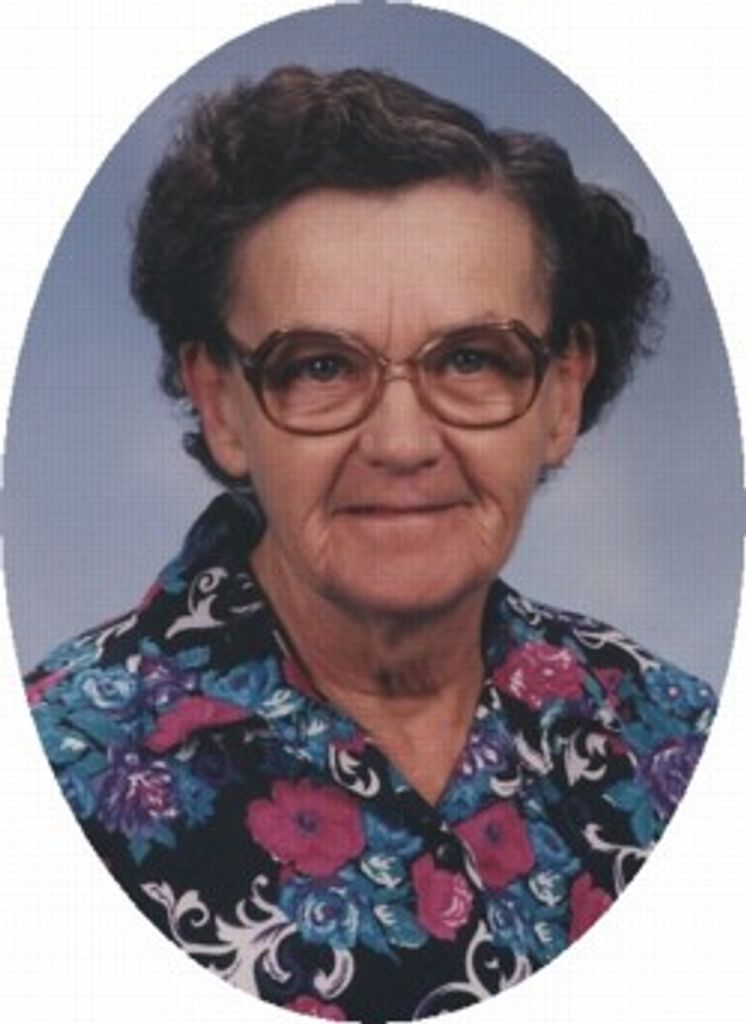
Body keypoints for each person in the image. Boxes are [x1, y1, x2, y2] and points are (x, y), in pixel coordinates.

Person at [24, 66, 717, 1022]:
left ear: (562, 395)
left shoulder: (680, 743)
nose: (400, 443)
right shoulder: (51, 778)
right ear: (222, 404)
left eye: (470, 358)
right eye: (320, 366)